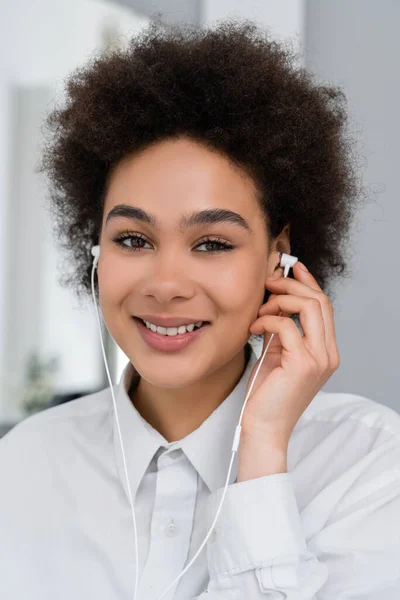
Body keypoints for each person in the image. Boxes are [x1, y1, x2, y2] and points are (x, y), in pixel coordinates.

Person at [1, 18, 399, 600]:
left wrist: (263, 445)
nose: (165, 285)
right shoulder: (23, 467)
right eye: (133, 239)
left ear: (277, 258)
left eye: (212, 243)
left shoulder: (371, 465)